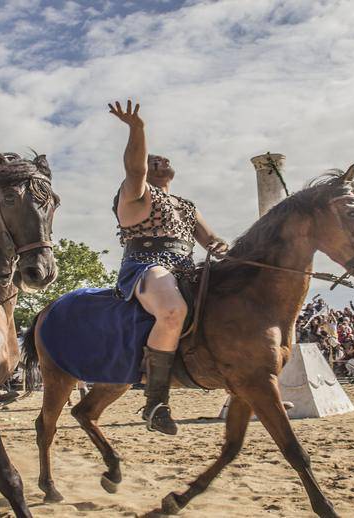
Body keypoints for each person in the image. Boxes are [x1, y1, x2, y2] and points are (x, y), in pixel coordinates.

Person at [107, 100, 227, 435]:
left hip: (187, 267)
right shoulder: (135, 195)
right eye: (152, 160)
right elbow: (135, 171)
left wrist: (220, 246)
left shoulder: (187, 205)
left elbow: (212, 238)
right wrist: (137, 129)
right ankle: (155, 402)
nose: (161, 161)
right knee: (173, 310)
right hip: (147, 265)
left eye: (164, 159)